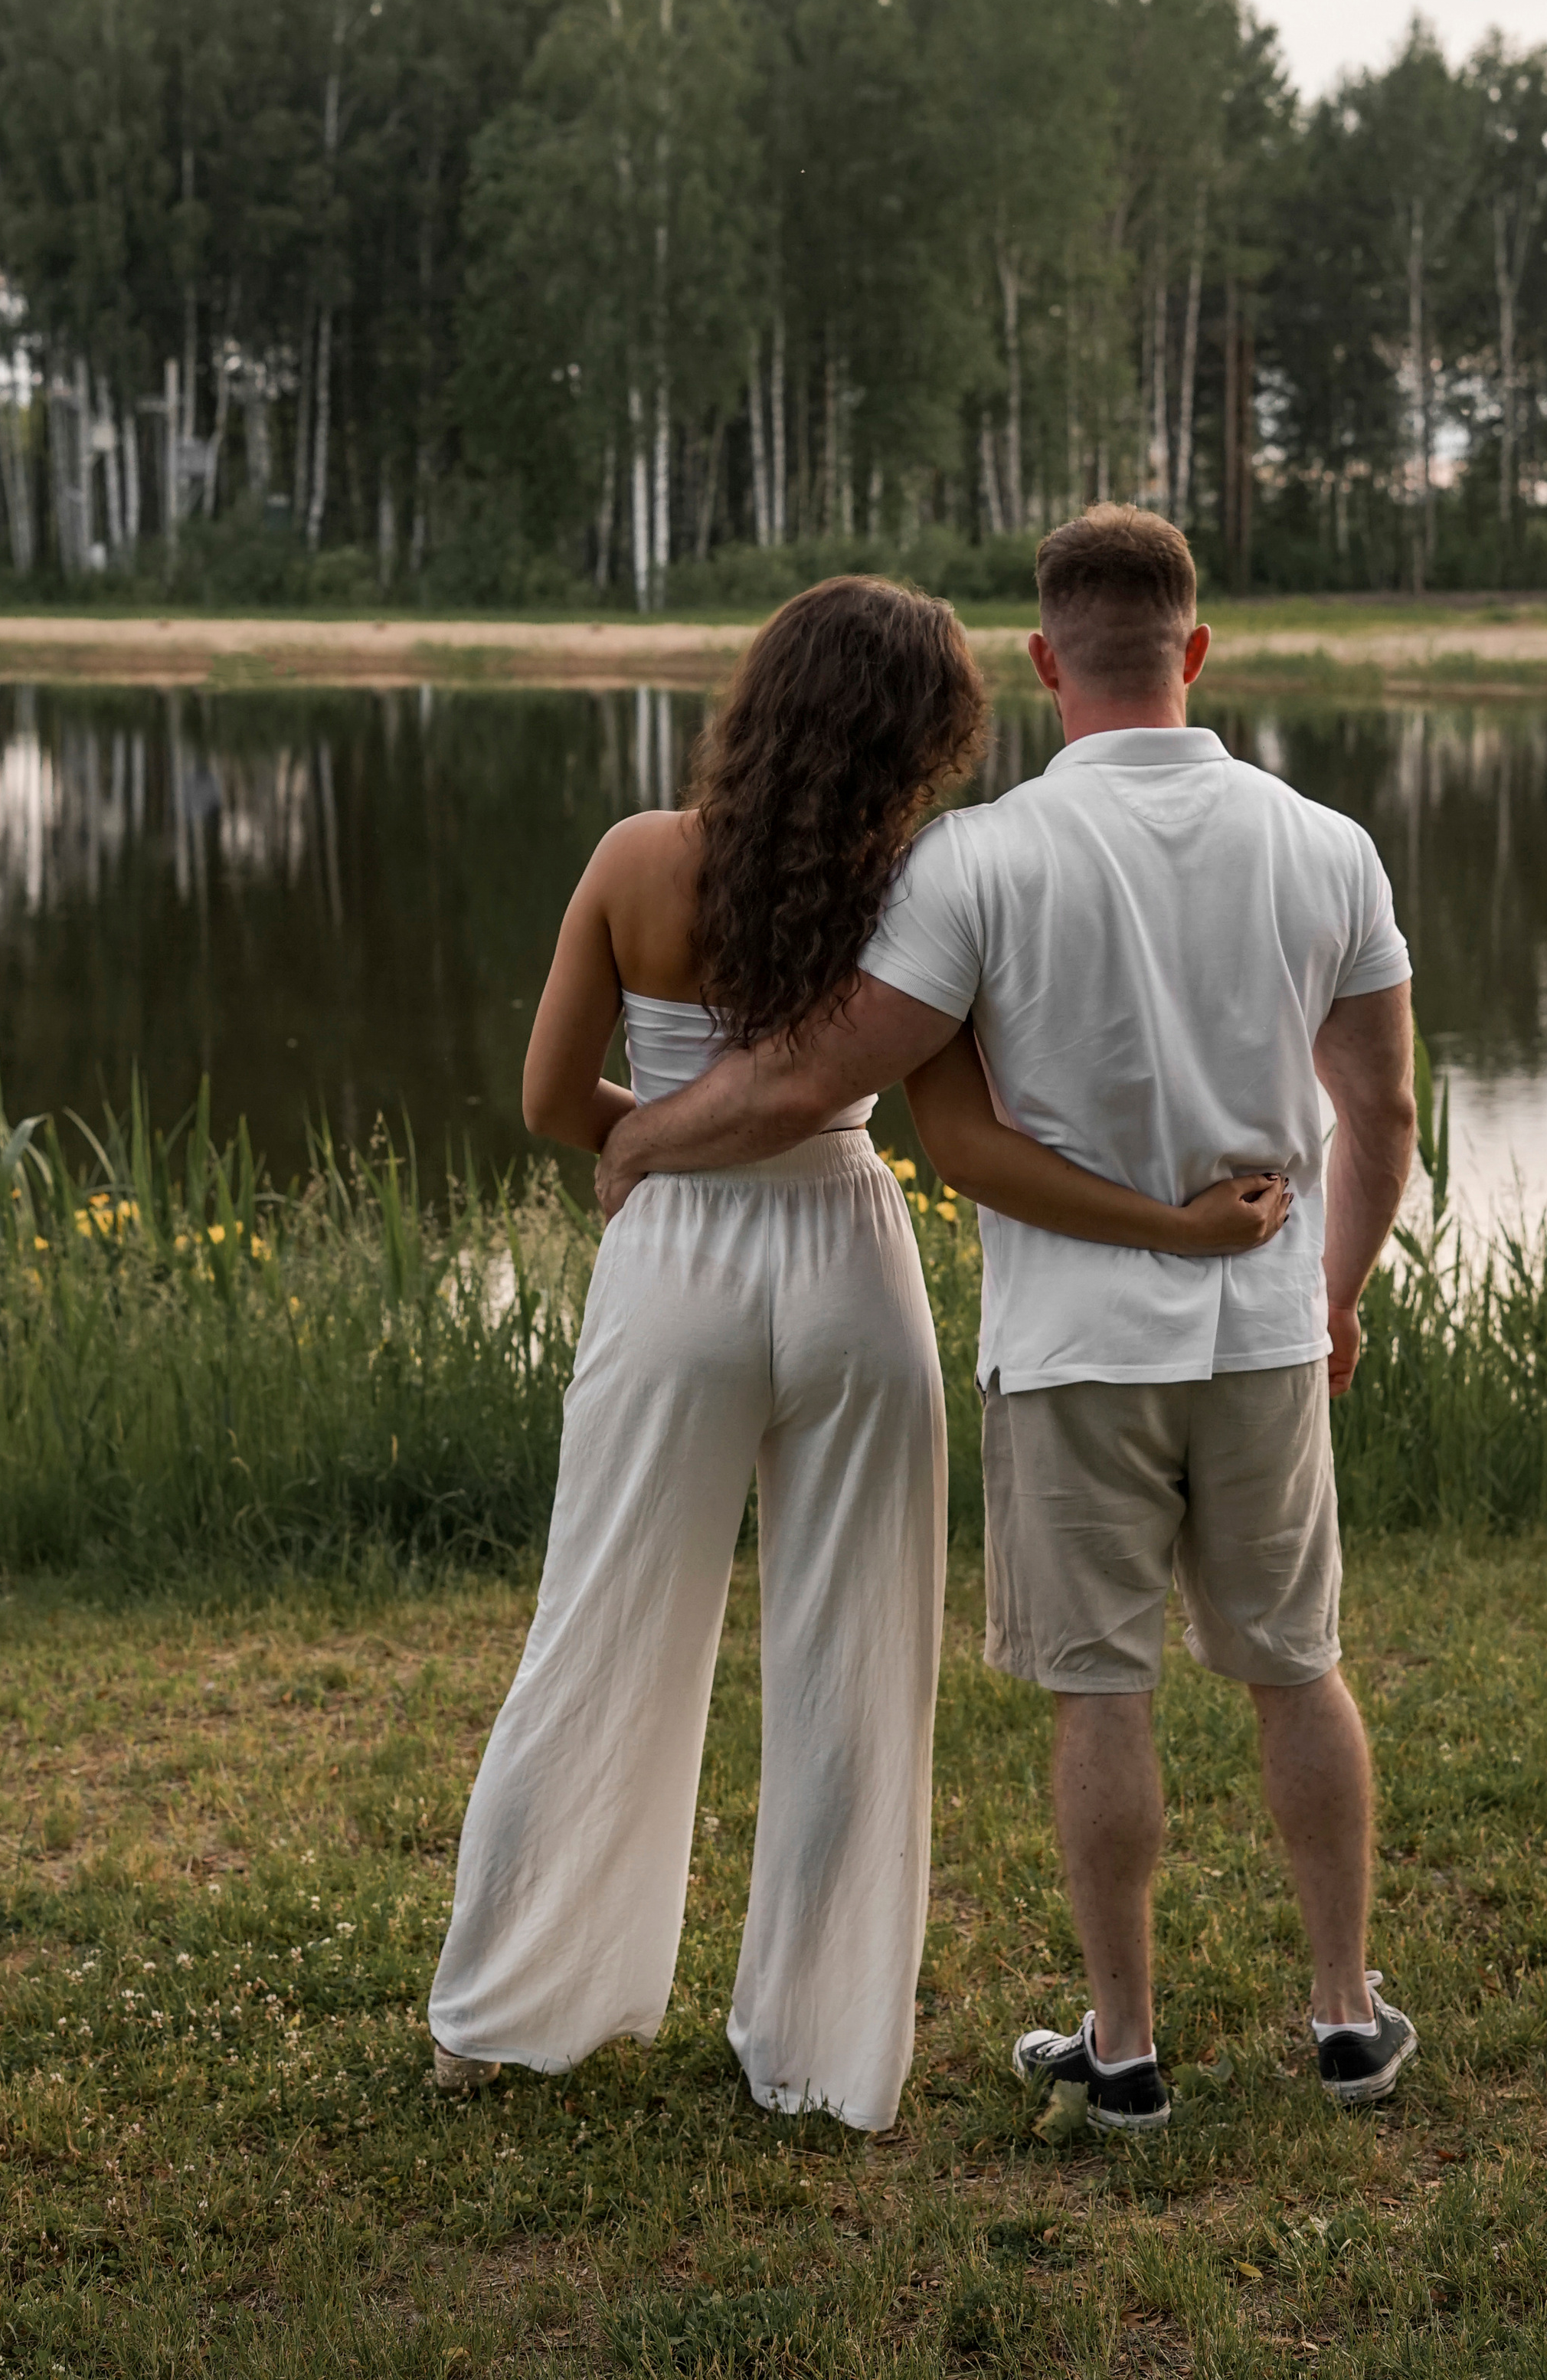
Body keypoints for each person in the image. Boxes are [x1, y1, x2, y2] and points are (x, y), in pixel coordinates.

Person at [427, 574, 1294, 2134]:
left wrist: (652, 1149)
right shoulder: (921, 887)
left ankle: (503, 2015)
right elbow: (957, 1136)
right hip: (846, 1258)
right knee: (850, 1666)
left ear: (762, 697)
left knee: (598, 1629)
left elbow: (556, 1103)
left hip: (674, 1272)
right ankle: (817, 2055)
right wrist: (1166, 1226)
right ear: (926, 736)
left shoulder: (637, 860)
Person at [597, 508, 1421, 2135]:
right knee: (1293, 1666)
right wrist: (1334, 1290)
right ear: (1193, 650)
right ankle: (1341, 2018)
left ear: (1045, 664)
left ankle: (1122, 2047)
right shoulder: (1326, 843)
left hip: (1068, 1359)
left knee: (1097, 1694)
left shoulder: (972, 860)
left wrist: (640, 1138)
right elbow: (1381, 1110)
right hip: (1257, 1337)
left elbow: (817, 1074)